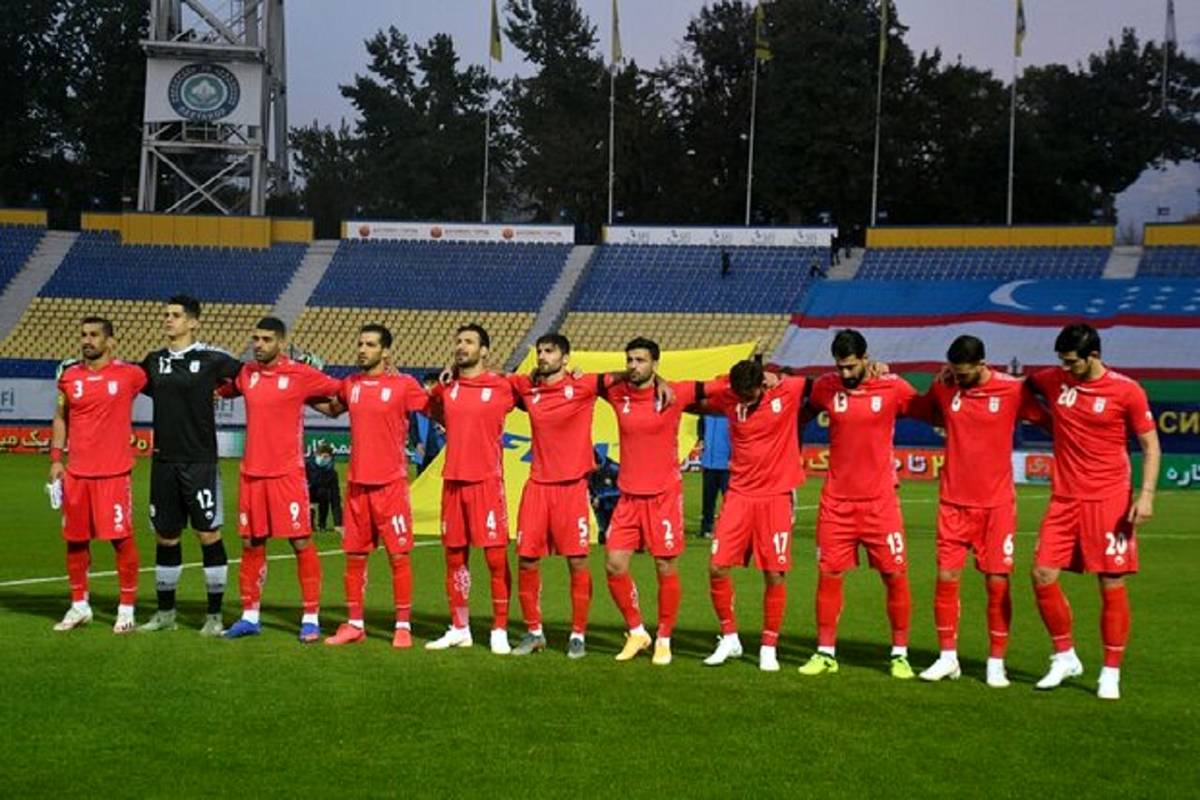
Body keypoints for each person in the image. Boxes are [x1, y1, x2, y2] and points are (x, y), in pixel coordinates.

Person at [906, 335, 1050, 687]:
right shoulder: (945, 386)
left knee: (997, 583)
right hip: (953, 502)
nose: (960, 379)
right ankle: (947, 657)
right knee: (946, 578)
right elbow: (919, 407)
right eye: (955, 372)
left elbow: (1051, 422)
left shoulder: (1012, 390)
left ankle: (996, 662)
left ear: (983, 364)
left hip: (996, 506)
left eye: (965, 374)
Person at [1026, 323, 1160, 700]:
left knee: (1111, 582)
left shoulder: (1127, 390)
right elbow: (1016, 386)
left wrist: (1146, 496)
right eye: (1062, 362)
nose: (1065, 369)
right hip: (1064, 498)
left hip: (1109, 498)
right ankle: (1065, 656)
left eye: (1072, 362)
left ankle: (1110, 671)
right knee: (1042, 573)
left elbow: (1151, 446)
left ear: (1094, 356)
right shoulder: (1054, 379)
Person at [798, 328, 919, 679]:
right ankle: (825, 652)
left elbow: (930, 410)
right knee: (829, 574)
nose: (846, 373)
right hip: (836, 502)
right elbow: (797, 408)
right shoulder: (826, 387)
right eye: (840, 367)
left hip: (880, 502)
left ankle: (899, 654)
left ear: (866, 359)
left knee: (894, 575)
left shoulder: (893, 387)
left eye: (851, 366)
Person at [221, 317, 342, 643]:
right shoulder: (246, 374)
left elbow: (339, 394)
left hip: (287, 475)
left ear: (281, 343)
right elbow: (219, 388)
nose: (259, 345)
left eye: (266, 339)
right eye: (256, 339)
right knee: (251, 544)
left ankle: (310, 618)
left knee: (300, 542)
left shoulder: (300, 374)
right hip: (252, 474)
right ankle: (250, 616)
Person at [133, 296, 244, 636]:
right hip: (164, 461)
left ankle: (214, 616)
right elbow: (126, 383)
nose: (168, 319)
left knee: (208, 534)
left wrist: (223, 392)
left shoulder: (212, 359)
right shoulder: (153, 361)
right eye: (166, 314)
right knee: (166, 537)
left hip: (200, 461)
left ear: (193, 322)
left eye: (176, 315)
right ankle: (165, 613)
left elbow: (249, 379)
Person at [318, 325, 431, 648]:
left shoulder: (404, 385)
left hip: (390, 485)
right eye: (360, 344)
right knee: (354, 556)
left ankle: (402, 626)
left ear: (385, 351)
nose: (362, 349)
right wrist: (301, 394)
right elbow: (332, 409)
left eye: (370, 345)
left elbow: (434, 408)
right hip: (357, 485)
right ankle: (355, 624)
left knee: (399, 556)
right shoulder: (351, 384)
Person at [699, 360, 807, 672]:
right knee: (717, 566)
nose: (745, 399)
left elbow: (826, 382)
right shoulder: (729, 396)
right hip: (739, 494)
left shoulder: (787, 391)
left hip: (776, 496)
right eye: (741, 394)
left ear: (763, 384)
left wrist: (877, 370)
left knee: (774, 572)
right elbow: (696, 394)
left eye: (750, 393)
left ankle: (768, 646)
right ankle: (730, 637)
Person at [602, 337, 699, 666]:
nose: (633, 366)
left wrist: (661, 382)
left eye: (640, 360)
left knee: (665, 567)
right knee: (614, 565)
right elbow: (592, 380)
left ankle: (664, 638)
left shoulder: (677, 394)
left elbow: (717, 389)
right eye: (629, 359)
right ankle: (637, 631)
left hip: (663, 496)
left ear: (655, 363)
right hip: (629, 496)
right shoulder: (617, 391)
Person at [424, 323, 519, 655]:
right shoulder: (447, 389)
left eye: (469, 342)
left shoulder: (502, 386)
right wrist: (441, 383)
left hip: (486, 483)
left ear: (484, 351)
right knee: (454, 558)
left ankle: (499, 629)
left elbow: (538, 385)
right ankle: (459, 627)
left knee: (495, 559)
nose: (461, 346)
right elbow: (433, 408)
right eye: (459, 341)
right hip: (453, 482)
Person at [508, 334, 603, 658]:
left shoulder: (584, 386)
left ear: (565, 358)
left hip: (571, 488)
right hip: (537, 486)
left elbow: (624, 379)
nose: (543, 356)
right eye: (540, 351)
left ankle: (578, 634)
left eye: (550, 351)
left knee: (577, 561)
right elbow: (495, 381)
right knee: (526, 559)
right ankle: (534, 632)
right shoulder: (527, 388)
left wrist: (658, 381)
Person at [49, 317, 147, 633]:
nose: (87, 340)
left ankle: (126, 609)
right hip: (77, 473)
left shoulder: (130, 375)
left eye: (94, 335)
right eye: (83, 335)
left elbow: (169, 390)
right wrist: (56, 459)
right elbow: (60, 417)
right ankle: (79, 605)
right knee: (75, 541)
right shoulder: (69, 376)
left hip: (114, 474)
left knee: (121, 540)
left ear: (110, 341)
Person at [696, 414, 730, 538]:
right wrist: (701, 439)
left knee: (730, 501)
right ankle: (706, 529)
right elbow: (700, 425)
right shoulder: (706, 414)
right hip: (709, 464)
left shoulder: (731, 413)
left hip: (727, 466)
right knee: (708, 500)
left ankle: (730, 529)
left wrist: (733, 457)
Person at [408, 372, 444, 475]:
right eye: (426, 383)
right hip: (423, 451)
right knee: (421, 479)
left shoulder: (446, 403)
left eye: (432, 383)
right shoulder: (418, 406)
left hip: (440, 451)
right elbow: (412, 428)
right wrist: (417, 443)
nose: (429, 386)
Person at [305, 442, 343, 533]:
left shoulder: (332, 473)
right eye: (322, 456)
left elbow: (335, 497)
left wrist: (338, 524)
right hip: (306, 495)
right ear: (316, 455)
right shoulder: (306, 467)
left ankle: (322, 524)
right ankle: (308, 523)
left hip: (321, 496)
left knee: (326, 494)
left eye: (327, 457)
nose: (324, 459)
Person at [588, 447, 620, 542]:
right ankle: (602, 533)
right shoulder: (589, 471)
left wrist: (600, 496)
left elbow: (622, 490)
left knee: (615, 531)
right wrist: (593, 497)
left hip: (615, 503)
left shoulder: (614, 469)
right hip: (600, 506)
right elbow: (590, 488)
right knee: (602, 532)